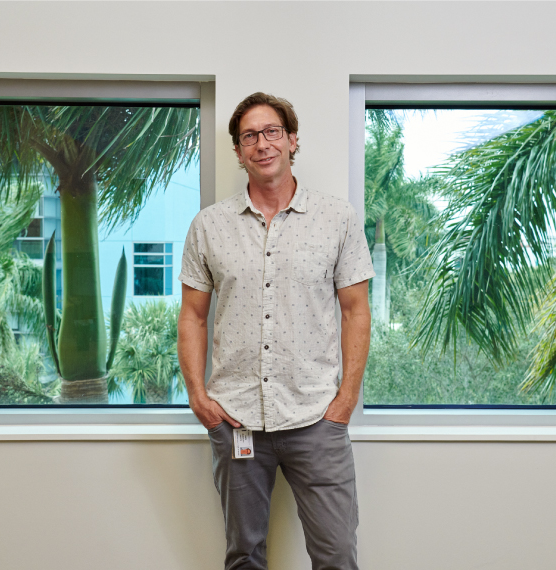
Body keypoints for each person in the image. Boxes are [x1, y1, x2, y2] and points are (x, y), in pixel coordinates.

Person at [177, 92, 374, 570]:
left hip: (317, 417)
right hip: (237, 416)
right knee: (244, 557)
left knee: (337, 556)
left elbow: (356, 311)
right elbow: (193, 316)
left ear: (291, 140)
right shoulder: (208, 226)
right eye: (249, 136)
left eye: (271, 132)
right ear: (239, 150)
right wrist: (199, 396)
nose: (261, 143)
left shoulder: (337, 219)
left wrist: (345, 401)